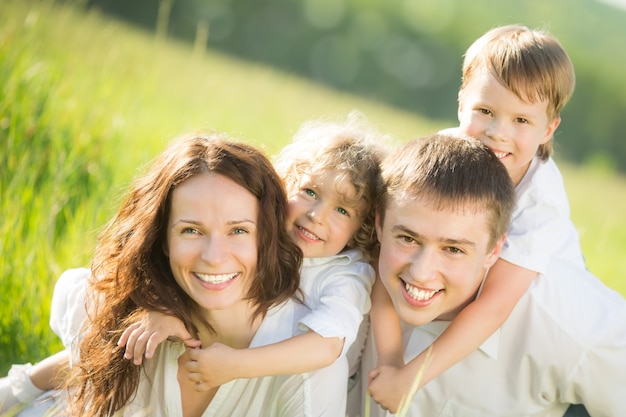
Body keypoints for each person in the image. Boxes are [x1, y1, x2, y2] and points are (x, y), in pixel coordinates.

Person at [3, 132, 349, 417]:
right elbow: (83, 340)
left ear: (268, 235)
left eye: (239, 231)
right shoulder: (132, 315)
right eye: (191, 231)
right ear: (162, 239)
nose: (214, 257)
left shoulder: (308, 362)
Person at [368, 24, 588, 412]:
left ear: (548, 128)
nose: (496, 133)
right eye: (485, 111)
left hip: (544, 324)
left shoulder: (541, 200)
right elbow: (386, 253)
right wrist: (389, 362)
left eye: (521, 121)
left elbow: (495, 305)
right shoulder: (442, 158)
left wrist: (411, 377)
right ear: (461, 103)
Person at [117, 112, 388, 406]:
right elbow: (200, 270)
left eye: (342, 211)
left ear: (360, 229)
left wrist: (236, 365)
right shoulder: (261, 236)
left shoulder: (347, 275)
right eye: (309, 191)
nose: (316, 215)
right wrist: (164, 310)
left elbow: (327, 347)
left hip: (288, 390)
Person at [358, 133, 626, 416]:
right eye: (408, 239)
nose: (421, 273)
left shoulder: (566, 324)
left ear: (494, 249)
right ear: (379, 224)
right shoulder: (346, 274)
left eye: (453, 250)